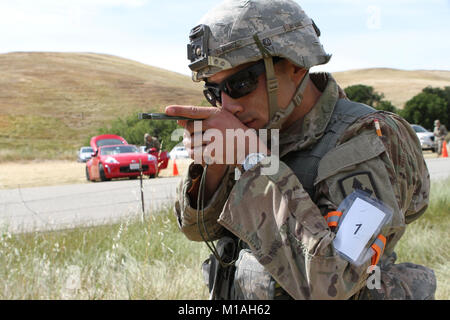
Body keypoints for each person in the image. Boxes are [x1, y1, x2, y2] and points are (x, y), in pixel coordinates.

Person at [167, 0, 436, 300]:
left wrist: (255, 162)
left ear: (297, 65)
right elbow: (197, 231)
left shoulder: (368, 138)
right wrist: (215, 166)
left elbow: (334, 280)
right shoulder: (256, 131)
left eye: (241, 83)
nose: (227, 106)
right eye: (213, 92)